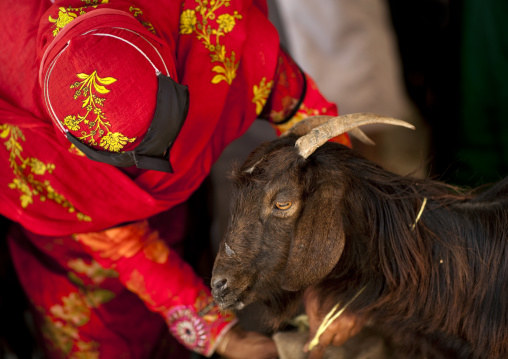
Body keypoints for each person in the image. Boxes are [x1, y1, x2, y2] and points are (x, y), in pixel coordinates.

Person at [0, 0, 350, 358]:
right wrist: (221, 335)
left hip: (174, 211)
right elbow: (126, 246)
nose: (162, 164)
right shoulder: (27, 143)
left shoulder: (207, 24)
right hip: (76, 236)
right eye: (135, 154)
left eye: (168, 130)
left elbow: (308, 118)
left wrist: (328, 264)